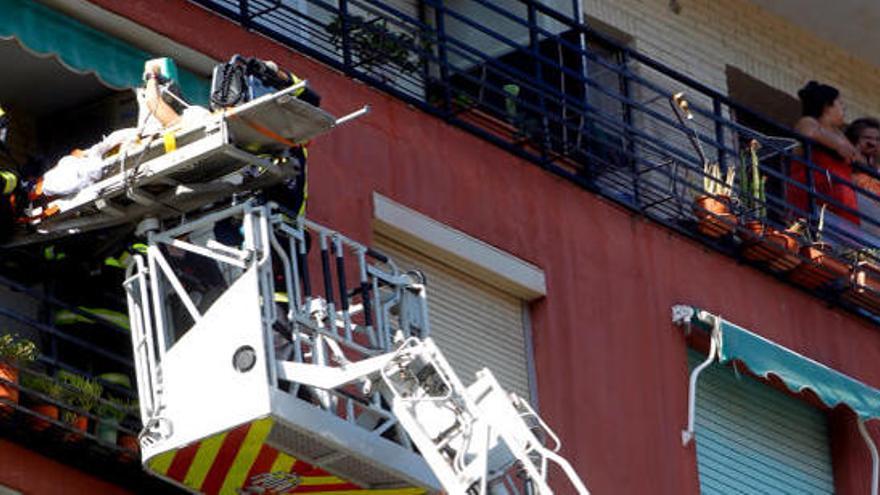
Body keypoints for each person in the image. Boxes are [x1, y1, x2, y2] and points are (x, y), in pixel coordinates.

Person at [788, 81, 863, 227]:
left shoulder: (838, 133)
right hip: (816, 190)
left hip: (841, 196)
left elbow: (857, 158)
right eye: (840, 103)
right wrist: (836, 145)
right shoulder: (809, 121)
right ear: (827, 106)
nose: (844, 108)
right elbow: (807, 132)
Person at [848, 118, 880, 237]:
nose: (873, 143)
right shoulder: (848, 159)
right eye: (868, 138)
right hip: (859, 223)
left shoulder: (875, 167)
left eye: (877, 139)